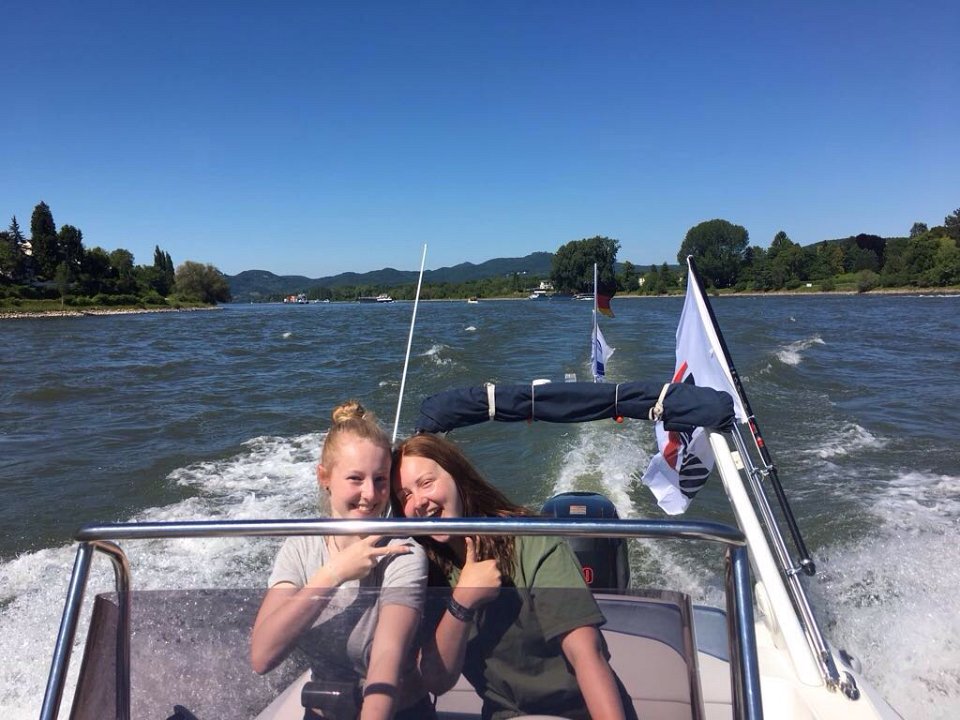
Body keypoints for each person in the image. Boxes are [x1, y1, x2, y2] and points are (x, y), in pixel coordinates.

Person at [391, 433, 638, 720]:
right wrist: (463, 601)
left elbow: (585, 654)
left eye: (426, 483)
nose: (419, 501)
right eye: (405, 496)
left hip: (582, 710)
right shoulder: (421, 570)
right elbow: (437, 680)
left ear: (456, 476)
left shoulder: (531, 541)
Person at [251, 401, 434, 720]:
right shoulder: (301, 548)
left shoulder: (403, 553)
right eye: (355, 478)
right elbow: (262, 655)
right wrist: (333, 574)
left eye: (380, 479)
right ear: (324, 477)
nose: (370, 494)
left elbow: (385, 662)